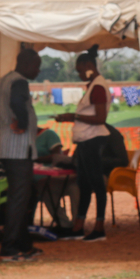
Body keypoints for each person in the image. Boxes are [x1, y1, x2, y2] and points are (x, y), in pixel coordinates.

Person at [0, 48, 42, 262]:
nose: (38, 70)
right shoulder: (20, 82)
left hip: (6, 147)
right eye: (36, 66)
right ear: (26, 64)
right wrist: (22, 123)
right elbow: (17, 103)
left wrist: (2, 122)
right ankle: (8, 249)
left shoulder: (3, 80)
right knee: (19, 199)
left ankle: (24, 244)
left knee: (21, 198)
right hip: (18, 149)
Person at [54, 45, 110, 241]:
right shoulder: (93, 86)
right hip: (86, 141)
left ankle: (99, 227)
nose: (79, 74)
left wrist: (73, 116)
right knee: (84, 184)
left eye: (79, 70)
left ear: (88, 66)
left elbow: (101, 118)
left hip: (93, 140)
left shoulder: (98, 86)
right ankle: (79, 226)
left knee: (96, 184)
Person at [33, 126, 79, 235]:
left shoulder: (49, 134)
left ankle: (70, 225)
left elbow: (57, 156)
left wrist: (35, 159)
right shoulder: (22, 137)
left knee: (40, 185)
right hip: (32, 175)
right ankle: (63, 224)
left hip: (52, 174)